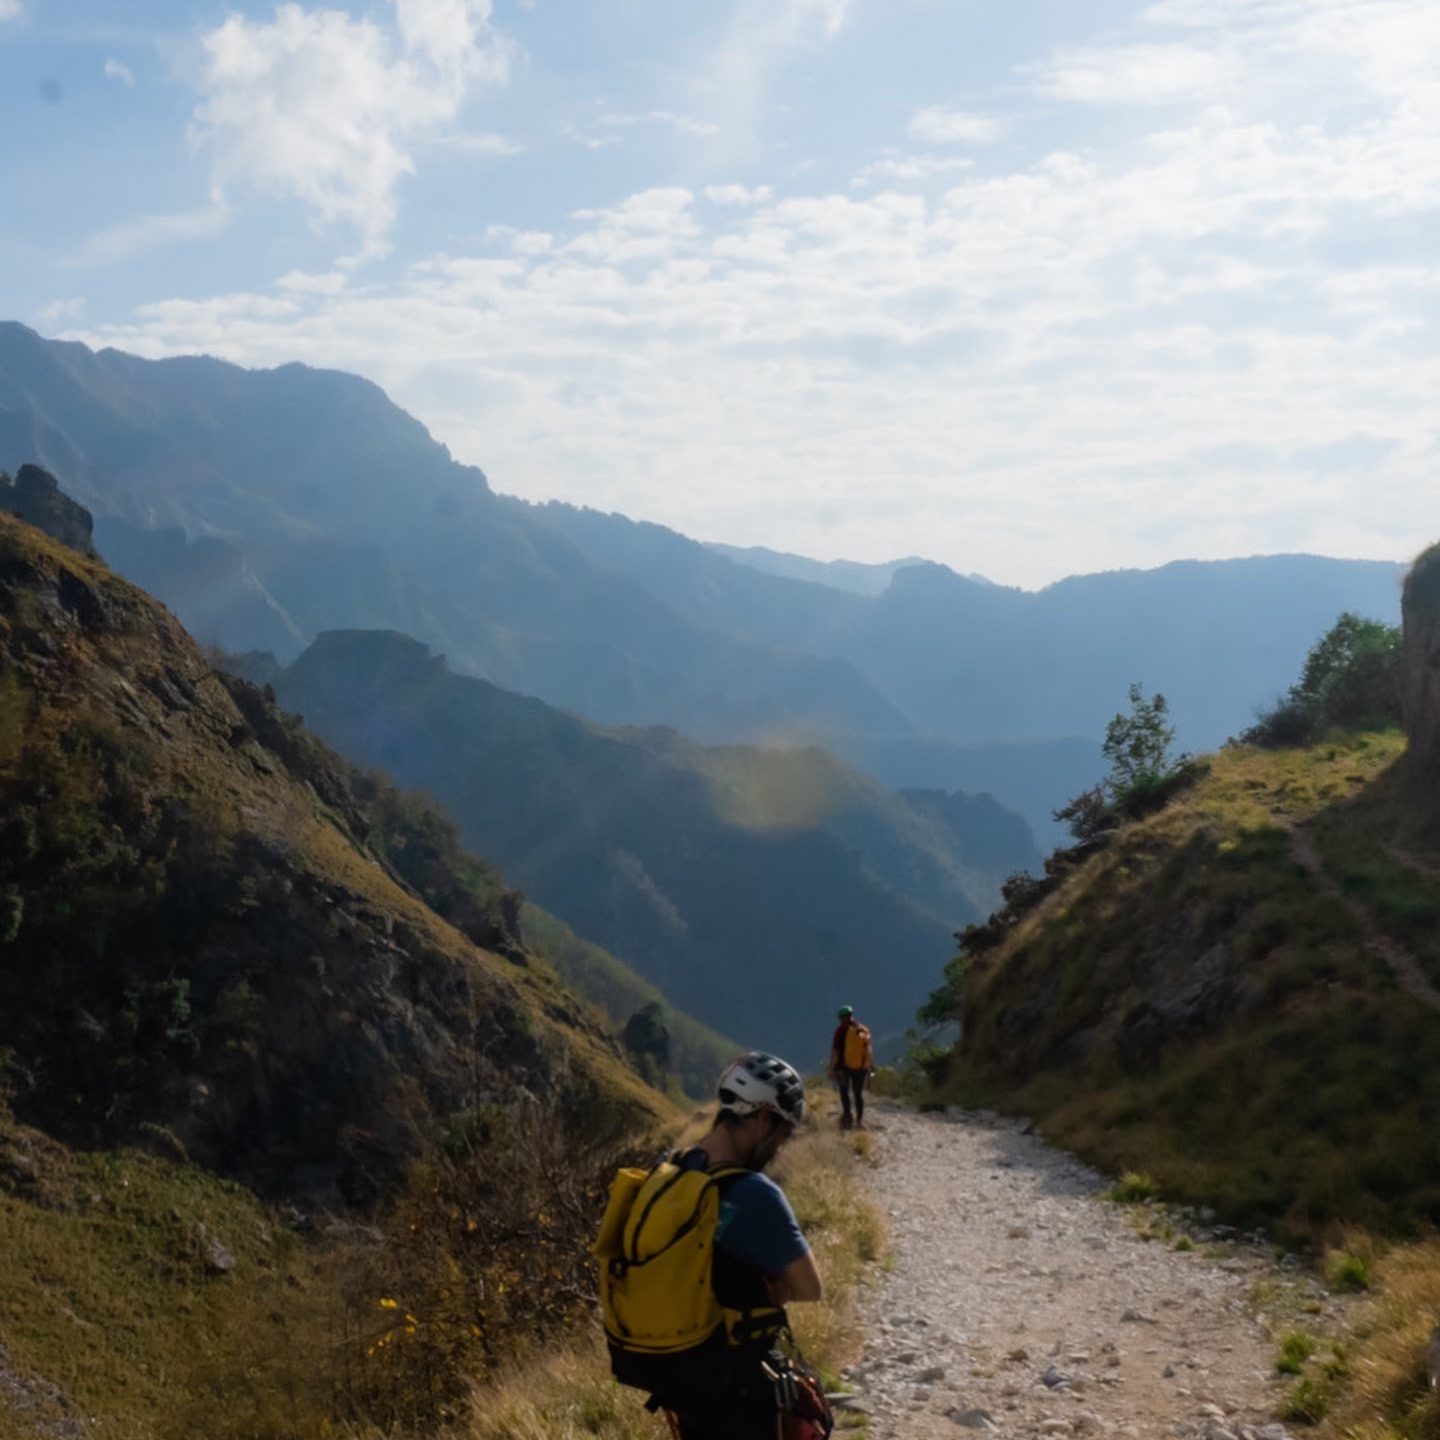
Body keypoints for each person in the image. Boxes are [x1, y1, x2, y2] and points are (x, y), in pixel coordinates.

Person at [650, 1052, 823, 1439]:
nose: (781, 1145)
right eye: (784, 1132)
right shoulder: (755, 1194)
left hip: (677, 1374)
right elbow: (811, 1288)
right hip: (736, 1381)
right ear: (764, 1116)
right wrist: (774, 1286)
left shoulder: (669, 1168)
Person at [828, 1006, 873, 1131]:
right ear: (851, 1015)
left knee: (844, 1092)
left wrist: (831, 1068)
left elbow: (835, 1052)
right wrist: (869, 1066)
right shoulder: (863, 1029)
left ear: (840, 1018)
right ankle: (859, 1122)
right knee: (858, 1094)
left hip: (843, 1068)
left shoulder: (840, 1031)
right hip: (861, 1068)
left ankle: (847, 1118)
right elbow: (868, 1050)